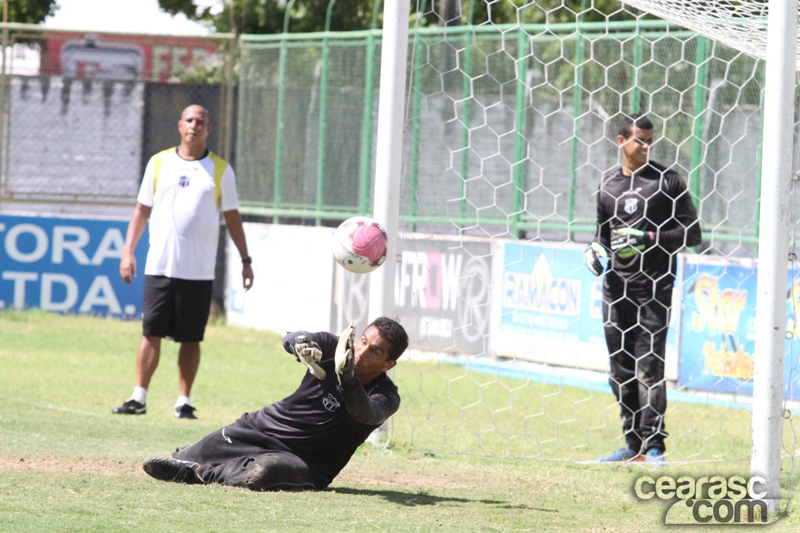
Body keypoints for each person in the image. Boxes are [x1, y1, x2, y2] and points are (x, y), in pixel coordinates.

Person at [140, 317, 409, 491]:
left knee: (263, 473)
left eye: (375, 351)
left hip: (306, 462)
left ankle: (199, 473)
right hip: (259, 428)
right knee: (177, 459)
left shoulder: (386, 396)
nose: (361, 352)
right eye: (362, 341)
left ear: (389, 364)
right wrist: (301, 345)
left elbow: (365, 412)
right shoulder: (332, 347)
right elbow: (292, 337)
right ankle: (191, 462)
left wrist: (347, 377)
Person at [112, 104, 254, 420]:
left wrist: (246, 260)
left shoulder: (221, 170)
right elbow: (141, 211)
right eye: (189, 120)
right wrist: (128, 251)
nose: (194, 125)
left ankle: (183, 400)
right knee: (151, 331)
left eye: (201, 121)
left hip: (198, 271)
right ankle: (139, 396)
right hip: (160, 266)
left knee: (191, 337)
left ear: (209, 129)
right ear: (179, 125)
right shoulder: (159, 163)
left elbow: (232, 217)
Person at [583, 114, 702, 464]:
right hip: (615, 288)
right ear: (621, 142)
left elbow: (693, 235)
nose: (647, 147)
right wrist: (595, 251)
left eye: (651, 141)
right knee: (619, 370)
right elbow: (602, 236)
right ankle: (632, 445)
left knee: (649, 368)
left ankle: (654, 447)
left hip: (654, 289)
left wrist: (648, 239)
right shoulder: (608, 188)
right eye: (640, 141)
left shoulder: (668, 182)